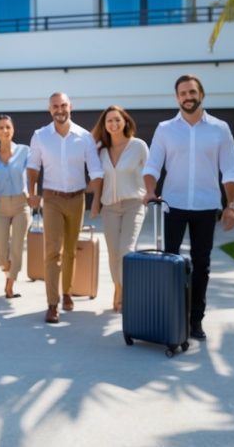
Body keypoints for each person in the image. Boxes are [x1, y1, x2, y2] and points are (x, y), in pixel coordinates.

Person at [144, 74, 234, 341]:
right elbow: (152, 166)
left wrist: (231, 206)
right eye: (183, 93)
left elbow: (230, 171)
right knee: (169, 264)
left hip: (207, 207)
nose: (188, 97)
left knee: (202, 265)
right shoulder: (165, 129)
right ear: (177, 98)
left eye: (192, 92)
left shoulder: (220, 129)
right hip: (172, 205)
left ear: (201, 95)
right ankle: (171, 316)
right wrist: (151, 190)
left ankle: (196, 320)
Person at [27, 93, 103, 324]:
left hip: (77, 199)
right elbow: (32, 167)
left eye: (63, 105)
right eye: (55, 106)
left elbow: (96, 170)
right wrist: (32, 193)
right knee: (52, 251)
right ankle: (52, 304)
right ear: (50, 110)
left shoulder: (84, 137)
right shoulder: (40, 136)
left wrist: (96, 199)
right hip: (51, 199)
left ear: (71, 107)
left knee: (70, 250)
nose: (59, 110)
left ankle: (67, 291)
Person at [89, 105, 148, 312]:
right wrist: (95, 202)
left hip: (134, 204)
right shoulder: (100, 150)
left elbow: (151, 172)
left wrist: (151, 193)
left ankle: (126, 292)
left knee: (126, 250)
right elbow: (96, 178)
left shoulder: (138, 146)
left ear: (125, 121)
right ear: (104, 125)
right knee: (113, 252)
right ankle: (118, 288)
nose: (113, 124)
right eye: (109, 121)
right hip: (110, 207)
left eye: (117, 119)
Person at [0, 114, 30, 299]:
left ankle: (10, 285)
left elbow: (32, 174)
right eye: (1, 128)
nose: (4, 131)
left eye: (8, 127)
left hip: (21, 204)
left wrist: (32, 194)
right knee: (1, 254)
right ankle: (7, 269)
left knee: (17, 247)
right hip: (0, 205)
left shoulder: (25, 151)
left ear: (13, 129)